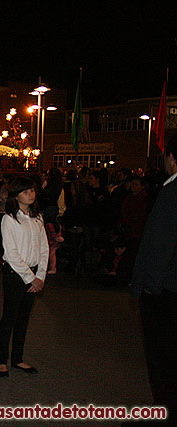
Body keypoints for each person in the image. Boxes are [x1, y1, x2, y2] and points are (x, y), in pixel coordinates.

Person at [129, 134, 177, 425]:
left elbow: (161, 243)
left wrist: (149, 285)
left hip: (166, 290)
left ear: (171, 158)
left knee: (163, 358)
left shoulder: (171, 191)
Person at [0, 176, 48, 377]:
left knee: (24, 318)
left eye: (32, 191)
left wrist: (40, 275)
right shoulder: (9, 219)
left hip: (34, 273)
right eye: (26, 192)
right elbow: (11, 253)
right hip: (15, 274)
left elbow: (44, 247)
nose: (31, 195)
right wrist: (30, 277)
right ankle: (1, 360)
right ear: (16, 196)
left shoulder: (38, 217)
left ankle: (17, 358)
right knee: (9, 317)